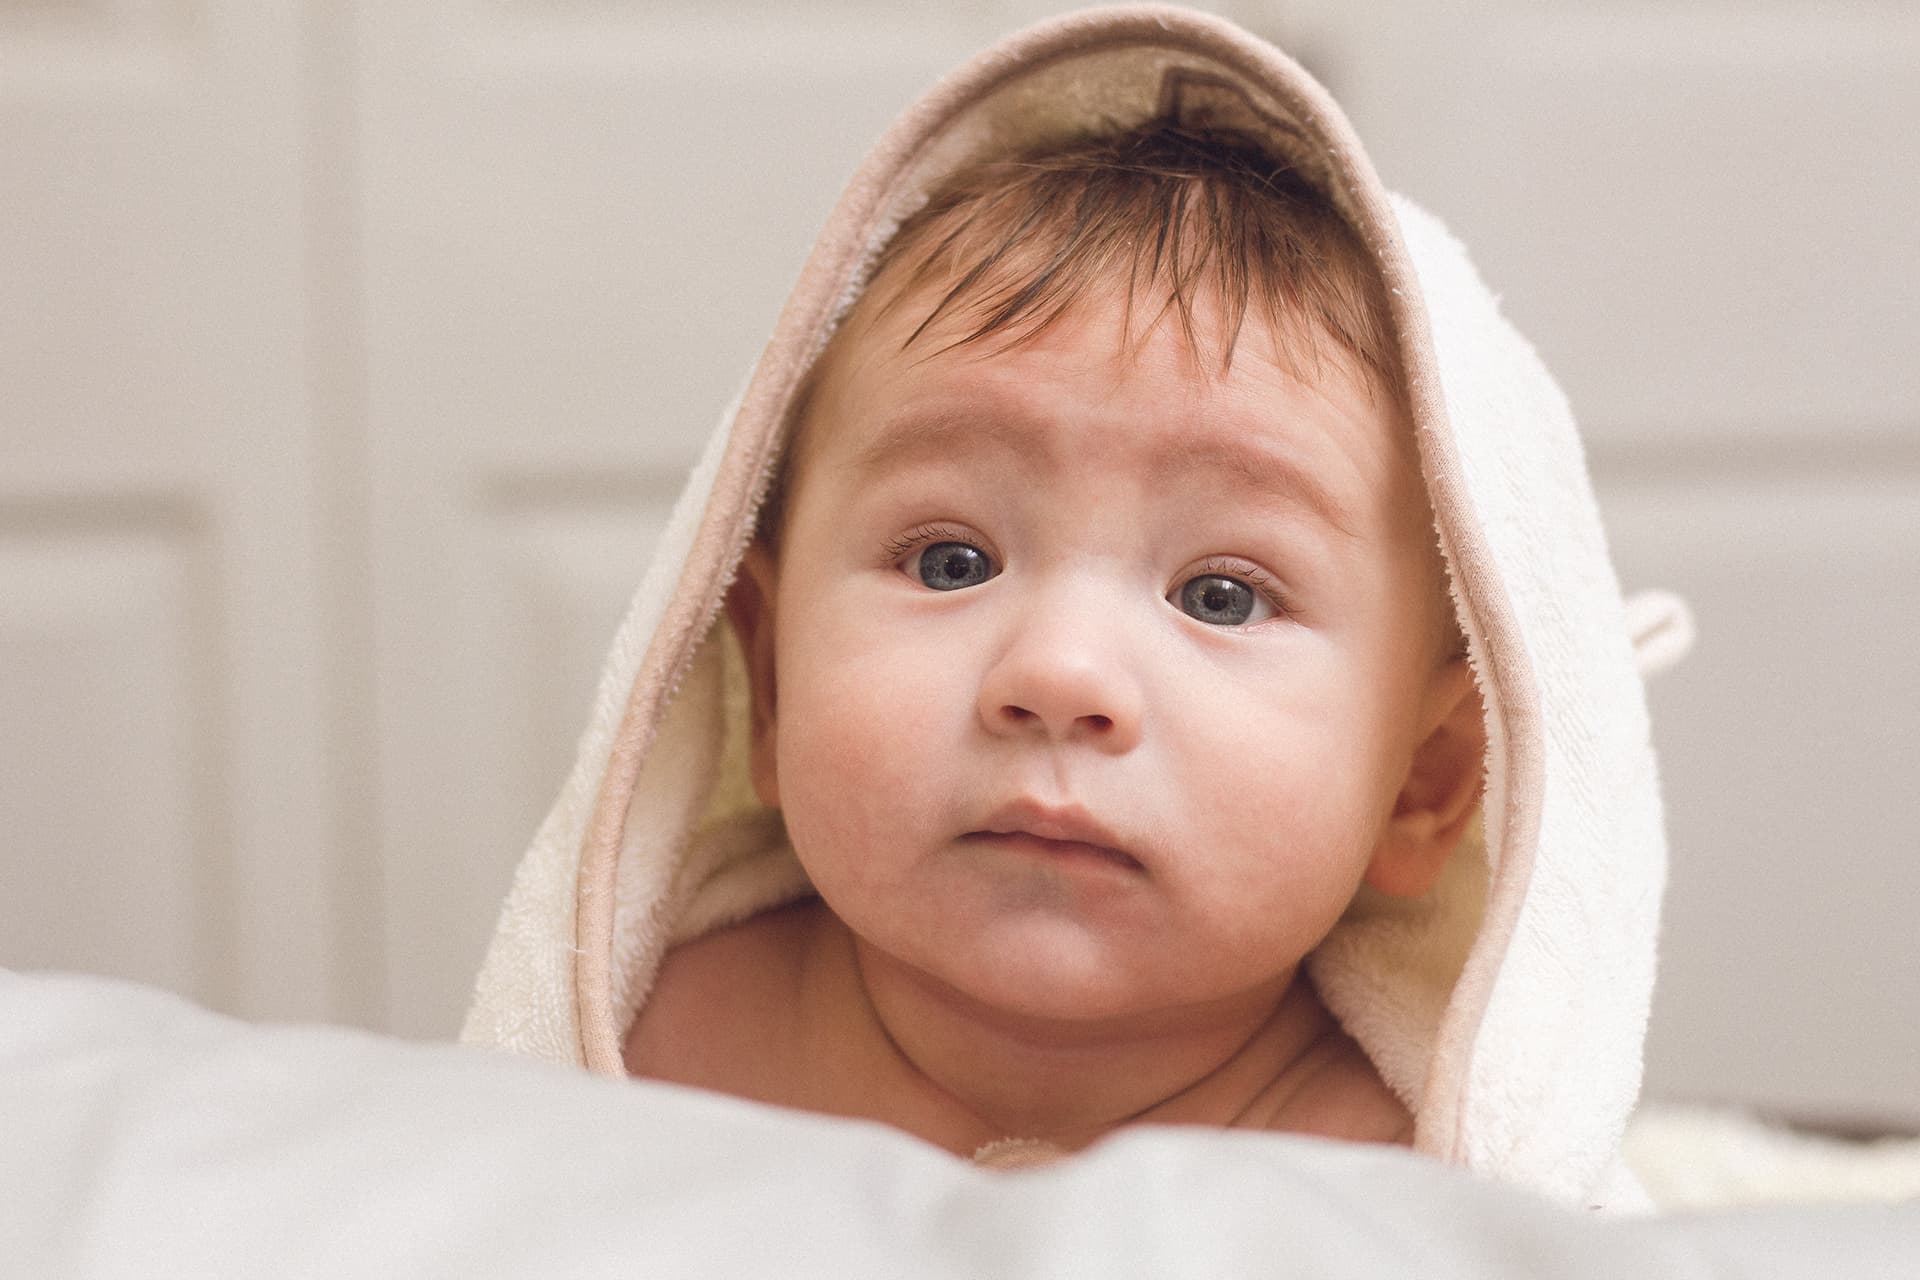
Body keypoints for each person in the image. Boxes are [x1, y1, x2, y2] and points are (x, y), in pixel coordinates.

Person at [465, 5, 1674, 1209]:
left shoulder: (1403, 1179)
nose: (1059, 672)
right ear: (771, 682)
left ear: (1424, 781)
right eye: (952, 561)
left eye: (1220, 594)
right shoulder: (641, 1058)